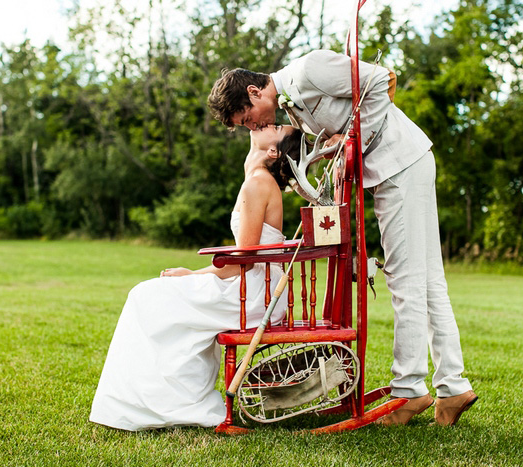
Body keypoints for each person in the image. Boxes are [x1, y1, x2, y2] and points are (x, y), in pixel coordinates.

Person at [207, 49, 477, 426]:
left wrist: (351, 142)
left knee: (405, 280)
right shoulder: (292, 108)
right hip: (391, 170)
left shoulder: (309, 69)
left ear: (254, 92)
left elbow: (383, 81)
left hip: (401, 164)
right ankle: (453, 385)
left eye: (248, 119)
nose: (254, 128)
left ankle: (410, 391)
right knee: (429, 280)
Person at [89, 125, 306, 431]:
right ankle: (168, 397)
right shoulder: (257, 179)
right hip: (255, 284)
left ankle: (166, 402)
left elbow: (241, 262)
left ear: (273, 152)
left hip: (257, 292)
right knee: (152, 297)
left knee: (146, 295)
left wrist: (192, 273)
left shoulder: (258, 184)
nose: (267, 123)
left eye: (275, 127)